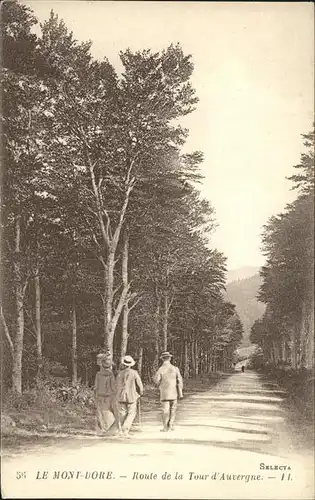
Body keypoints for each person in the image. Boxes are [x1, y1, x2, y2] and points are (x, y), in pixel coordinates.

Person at [154, 351, 183, 432]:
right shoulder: (175, 368)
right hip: (174, 393)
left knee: (165, 410)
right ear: (170, 358)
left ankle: (165, 427)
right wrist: (180, 392)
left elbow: (156, 380)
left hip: (164, 393)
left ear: (162, 359)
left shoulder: (161, 369)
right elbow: (179, 380)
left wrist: (159, 385)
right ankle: (171, 425)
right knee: (173, 409)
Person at [116, 355, 143, 437]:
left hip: (121, 396)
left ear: (124, 364)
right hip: (132, 396)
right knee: (131, 413)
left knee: (122, 413)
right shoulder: (134, 373)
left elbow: (116, 385)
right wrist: (140, 393)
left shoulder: (119, 373)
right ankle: (125, 429)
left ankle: (120, 430)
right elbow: (139, 384)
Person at [94, 354, 122, 435]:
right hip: (109, 396)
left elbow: (95, 387)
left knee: (100, 412)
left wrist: (95, 395)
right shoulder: (111, 374)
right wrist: (116, 393)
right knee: (110, 411)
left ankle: (101, 429)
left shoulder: (98, 374)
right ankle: (111, 428)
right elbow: (113, 386)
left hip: (99, 395)